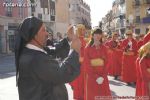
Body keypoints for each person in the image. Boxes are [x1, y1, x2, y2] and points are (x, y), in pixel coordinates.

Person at [15, 16, 81, 100]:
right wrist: (74, 51)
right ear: (34, 34)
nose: (47, 33)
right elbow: (63, 74)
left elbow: (53, 50)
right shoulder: (36, 59)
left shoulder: (29, 51)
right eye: (43, 30)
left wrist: (68, 39)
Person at [83, 28, 111, 100]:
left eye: (100, 34)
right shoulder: (87, 48)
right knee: (92, 96)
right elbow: (86, 64)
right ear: (92, 35)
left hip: (103, 75)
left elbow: (107, 62)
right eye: (96, 34)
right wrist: (96, 77)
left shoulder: (104, 48)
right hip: (92, 76)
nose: (98, 35)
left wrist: (103, 75)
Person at [69, 24, 86, 100]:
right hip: (78, 64)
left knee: (84, 81)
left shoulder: (86, 40)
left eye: (84, 29)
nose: (83, 31)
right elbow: (72, 52)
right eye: (81, 30)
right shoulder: (75, 40)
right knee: (78, 81)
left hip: (85, 64)